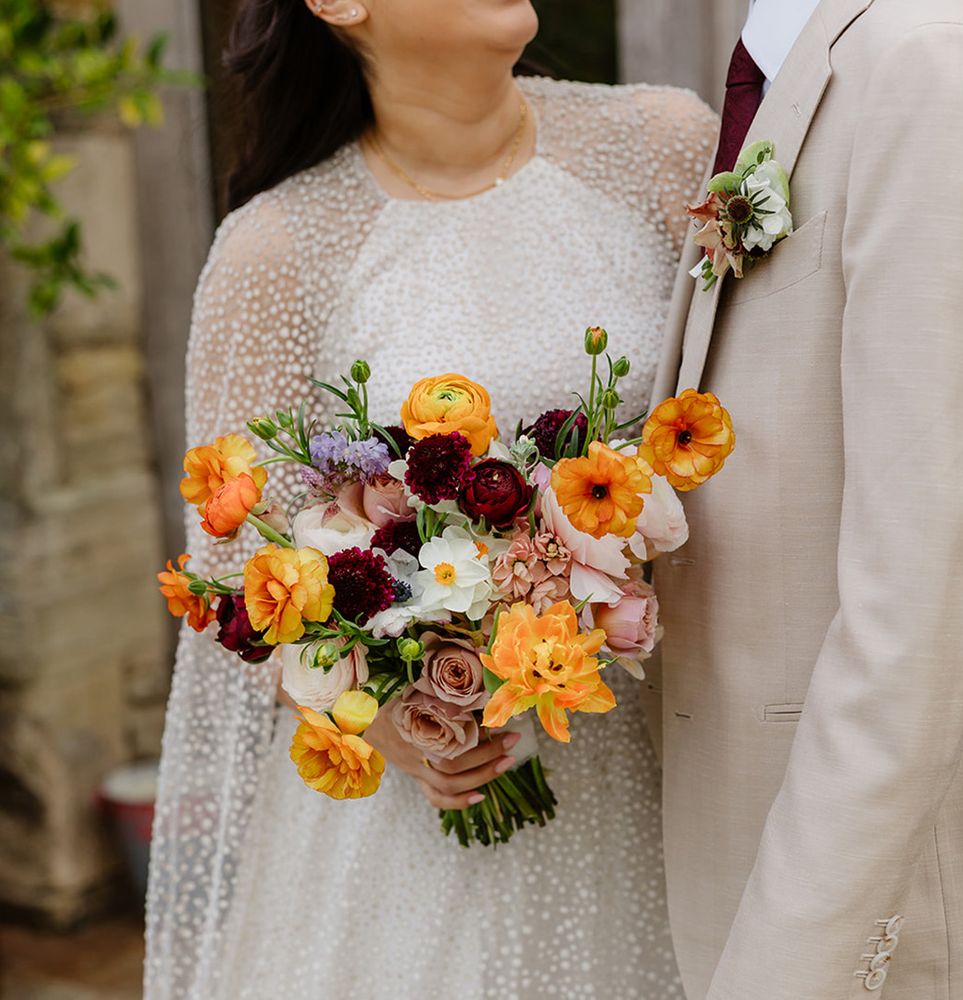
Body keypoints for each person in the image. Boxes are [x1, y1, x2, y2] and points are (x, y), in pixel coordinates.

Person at [144, 1, 718, 997]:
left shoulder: (662, 148)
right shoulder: (275, 250)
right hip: (429, 827)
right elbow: (231, 582)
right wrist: (387, 722)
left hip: (673, 771)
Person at [647, 0, 963, 997]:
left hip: (865, 927)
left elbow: (927, 598)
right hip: (721, 854)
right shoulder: (798, 56)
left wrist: (788, 969)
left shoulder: (935, 59)